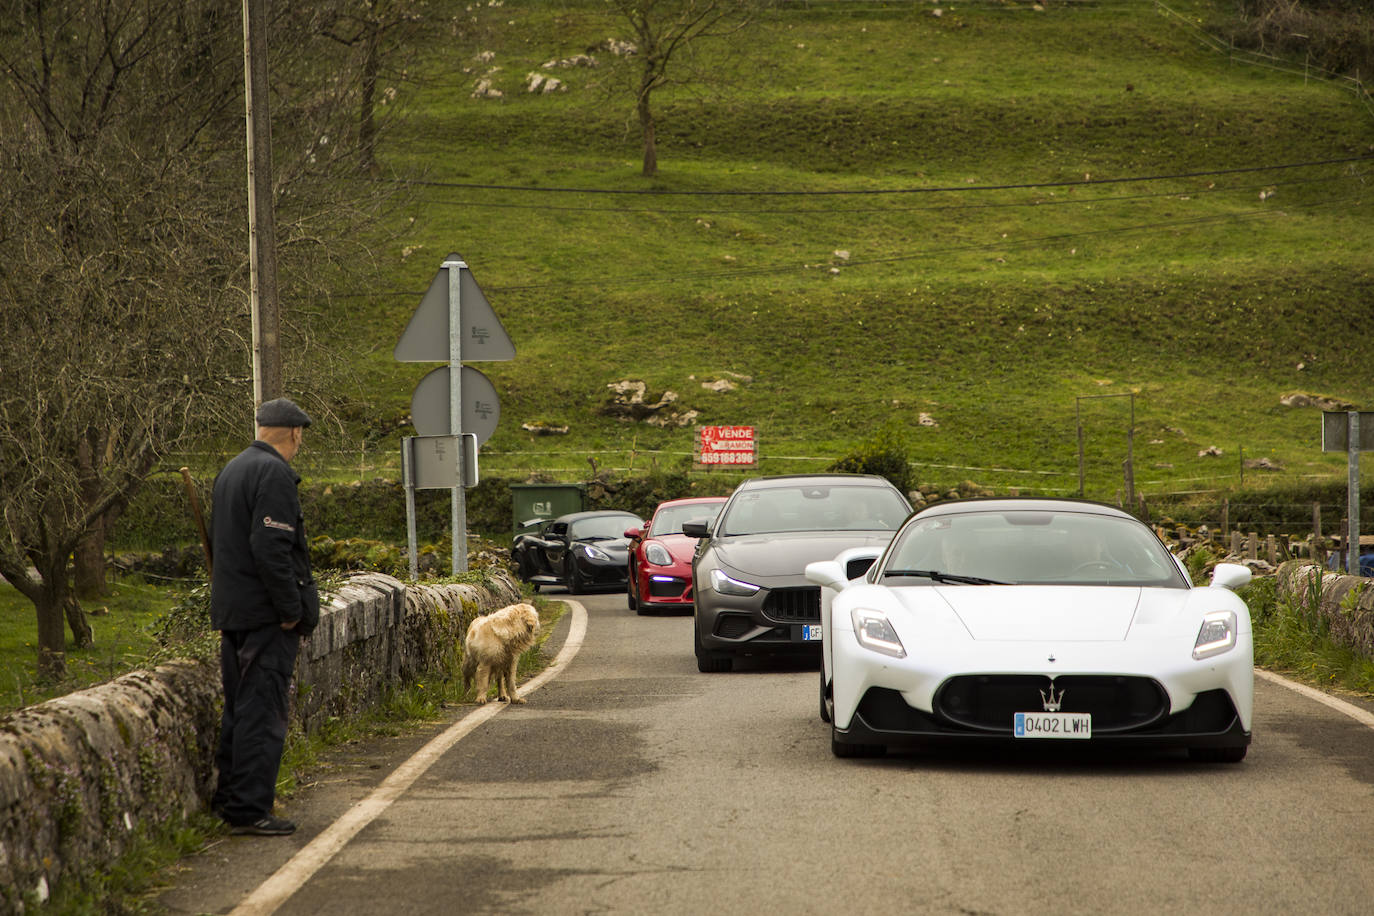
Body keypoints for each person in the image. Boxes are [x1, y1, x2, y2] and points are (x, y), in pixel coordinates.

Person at [209, 397, 320, 836]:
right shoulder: (274, 473)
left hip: (234, 611)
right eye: (301, 437)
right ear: (294, 433)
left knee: (238, 709)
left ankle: (228, 798)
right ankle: (250, 810)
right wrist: (291, 611)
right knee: (262, 712)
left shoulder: (231, 470)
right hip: (265, 617)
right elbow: (271, 548)